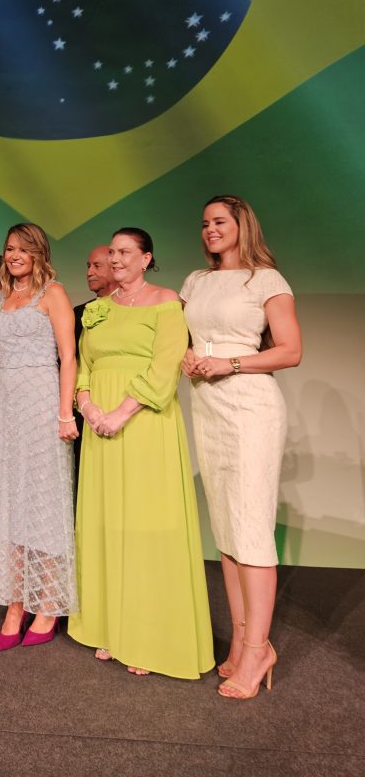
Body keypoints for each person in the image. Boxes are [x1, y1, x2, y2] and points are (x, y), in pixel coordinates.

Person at [69, 227, 214, 679]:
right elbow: (84, 364)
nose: (115, 259)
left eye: (125, 252)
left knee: (145, 524)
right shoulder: (97, 308)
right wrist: (88, 406)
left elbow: (165, 366)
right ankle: (111, 627)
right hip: (99, 426)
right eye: (112, 251)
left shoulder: (166, 301)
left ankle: (148, 635)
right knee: (108, 523)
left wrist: (121, 412)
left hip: (145, 422)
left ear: (146, 258)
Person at [180, 195, 302, 700]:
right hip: (208, 407)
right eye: (205, 222)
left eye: (220, 221)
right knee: (228, 532)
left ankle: (258, 650)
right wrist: (187, 355)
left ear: (242, 225)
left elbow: (290, 350)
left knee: (250, 530)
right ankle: (240, 641)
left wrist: (228, 364)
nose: (210, 229)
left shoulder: (266, 280)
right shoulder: (196, 281)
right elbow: (180, 336)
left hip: (250, 406)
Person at [0, 223, 79, 650]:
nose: (13, 255)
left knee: (41, 501)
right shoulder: (0, 299)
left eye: (22, 249)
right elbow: (7, 359)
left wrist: (64, 414)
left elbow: (68, 356)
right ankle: (15, 602)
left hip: (41, 403)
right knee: (8, 501)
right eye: (9, 248)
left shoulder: (53, 293)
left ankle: (46, 602)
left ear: (38, 254)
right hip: (5, 406)